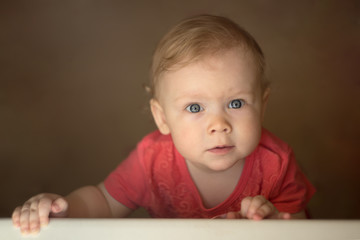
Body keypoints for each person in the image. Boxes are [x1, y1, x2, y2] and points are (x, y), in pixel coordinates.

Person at [12, 14, 315, 235]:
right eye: (195, 107)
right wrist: (62, 208)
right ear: (162, 118)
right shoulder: (151, 161)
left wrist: (273, 224)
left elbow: (305, 229)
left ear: (262, 106)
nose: (219, 124)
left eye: (236, 103)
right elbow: (103, 202)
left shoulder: (276, 163)